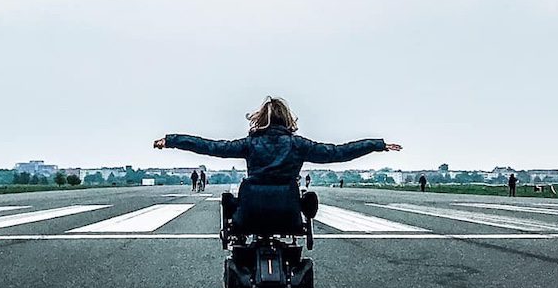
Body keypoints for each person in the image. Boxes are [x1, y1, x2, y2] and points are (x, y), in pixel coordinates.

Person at [154, 96, 401, 224]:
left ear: (260, 119)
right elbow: (338, 152)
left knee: (230, 201)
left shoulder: (249, 144)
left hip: (251, 209)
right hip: (288, 210)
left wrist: (172, 139)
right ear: (288, 119)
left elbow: (209, 146)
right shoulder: (298, 144)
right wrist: (376, 145)